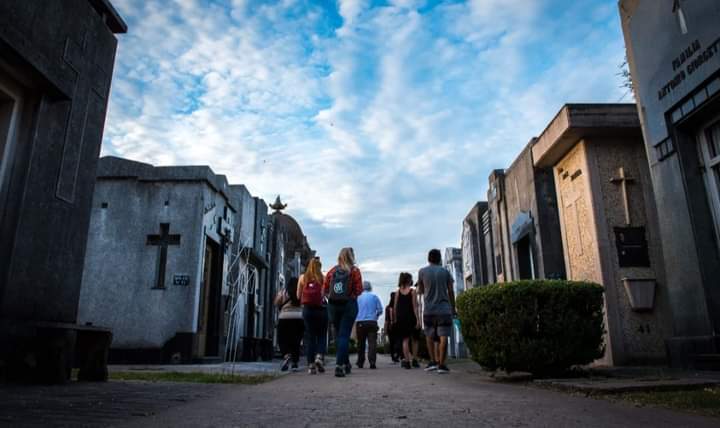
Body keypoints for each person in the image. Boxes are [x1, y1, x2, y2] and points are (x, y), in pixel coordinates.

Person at [324, 247, 363, 378]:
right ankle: (339, 365)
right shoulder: (355, 271)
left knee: (339, 335)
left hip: (333, 306)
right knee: (344, 335)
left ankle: (345, 363)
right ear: (352, 257)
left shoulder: (332, 271)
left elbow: (324, 289)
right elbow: (359, 290)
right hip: (349, 305)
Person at [417, 249, 456, 374]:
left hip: (429, 309)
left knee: (429, 335)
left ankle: (432, 361)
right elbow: (450, 291)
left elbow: (421, 290)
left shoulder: (422, 272)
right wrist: (453, 307)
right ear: (439, 259)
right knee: (443, 336)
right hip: (444, 309)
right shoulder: (445, 272)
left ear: (428, 259)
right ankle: (441, 364)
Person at [298, 257, 327, 375]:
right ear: (320, 267)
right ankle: (319, 356)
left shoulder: (302, 278)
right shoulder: (323, 279)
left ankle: (311, 366)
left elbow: (298, 295)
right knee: (321, 335)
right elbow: (325, 295)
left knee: (310, 337)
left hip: (308, 310)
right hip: (321, 310)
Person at [274, 277, 304, 372]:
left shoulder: (283, 292)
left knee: (282, 339)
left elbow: (276, 303)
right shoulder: (301, 293)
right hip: (299, 318)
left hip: (284, 318)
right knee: (296, 340)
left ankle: (286, 355)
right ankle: (295, 363)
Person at [393, 272, 421, 370]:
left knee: (405, 340)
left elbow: (395, 307)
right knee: (415, 339)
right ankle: (414, 360)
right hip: (411, 317)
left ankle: (407, 361)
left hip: (401, 318)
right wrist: (418, 319)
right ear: (408, 280)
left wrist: (395, 319)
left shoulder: (397, 292)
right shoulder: (412, 292)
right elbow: (415, 306)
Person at [355, 281, 383, 369]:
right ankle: (372, 362)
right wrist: (376, 316)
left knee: (361, 343)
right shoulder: (374, 297)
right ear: (370, 287)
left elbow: (354, 310)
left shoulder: (357, 297)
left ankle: (360, 362)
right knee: (372, 343)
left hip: (360, 322)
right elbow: (380, 310)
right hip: (372, 322)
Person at [384, 292, 400, 363]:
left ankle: (393, 357)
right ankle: (398, 355)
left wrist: (385, 330)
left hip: (390, 327)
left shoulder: (387, 307)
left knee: (392, 342)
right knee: (398, 341)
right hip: (398, 326)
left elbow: (386, 320)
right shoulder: (399, 306)